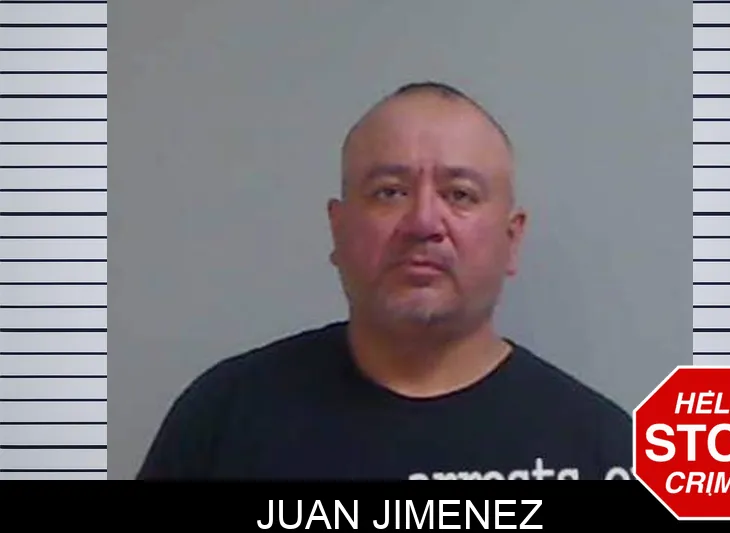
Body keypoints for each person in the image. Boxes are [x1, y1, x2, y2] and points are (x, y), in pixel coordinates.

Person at [137, 81, 633, 480]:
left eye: (460, 194)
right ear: (338, 229)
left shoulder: (605, 451)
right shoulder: (223, 419)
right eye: (389, 192)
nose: (423, 222)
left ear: (512, 239)